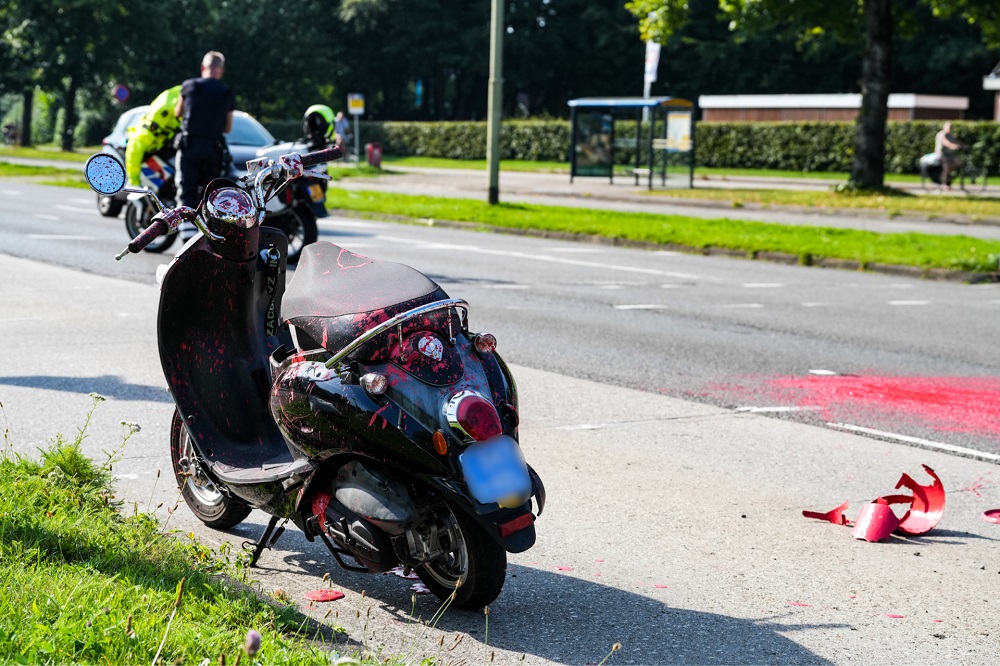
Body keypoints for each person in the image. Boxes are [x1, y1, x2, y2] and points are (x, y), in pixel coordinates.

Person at [174, 51, 234, 238]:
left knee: (186, 190)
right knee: (209, 194)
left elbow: (178, 112)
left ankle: (185, 236)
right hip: (213, 149)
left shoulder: (189, 86)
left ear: (203, 67)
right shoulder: (226, 92)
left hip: (190, 146)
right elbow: (228, 127)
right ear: (221, 71)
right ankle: (206, 235)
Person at [123, 85, 182, 187]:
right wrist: (134, 184)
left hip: (160, 150)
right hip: (146, 153)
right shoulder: (165, 110)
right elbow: (136, 145)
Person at [934, 121, 963, 191]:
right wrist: (952, 146)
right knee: (946, 167)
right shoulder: (941, 134)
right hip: (941, 154)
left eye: (951, 127)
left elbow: (955, 141)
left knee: (958, 162)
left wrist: (961, 146)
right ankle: (944, 184)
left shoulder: (950, 135)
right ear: (945, 127)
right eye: (949, 127)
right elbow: (946, 142)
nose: (950, 128)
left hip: (949, 154)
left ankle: (949, 179)